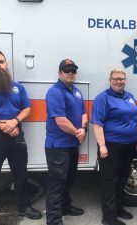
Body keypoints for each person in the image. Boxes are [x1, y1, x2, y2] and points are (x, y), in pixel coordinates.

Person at [0, 50, 42, 225]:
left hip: (16, 137)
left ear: (6, 64)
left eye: (1, 61)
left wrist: (15, 120)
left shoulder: (18, 87)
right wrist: (4, 126)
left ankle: (23, 207)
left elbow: (27, 108)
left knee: (21, 174)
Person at [91, 68, 137, 225]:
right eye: (116, 79)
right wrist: (102, 146)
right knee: (110, 182)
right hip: (111, 146)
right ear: (110, 80)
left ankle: (119, 208)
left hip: (129, 146)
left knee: (122, 179)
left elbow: (134, 119)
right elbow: (97, 124)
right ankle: (109, 218)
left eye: (122, 79)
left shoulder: (129, 96)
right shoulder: (103, 98)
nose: (119, 81)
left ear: (125, 80)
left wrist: (136, 139)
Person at [45, 59, 88, 225]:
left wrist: (83, 128)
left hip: (71, 144)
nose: (71, 73)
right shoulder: (55, 92)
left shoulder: (76, 91)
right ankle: (54, 220)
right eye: (67, 70)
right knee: (57, 182)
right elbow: (60, 121)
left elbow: (84, 113)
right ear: (59, 73)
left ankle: (65, 207)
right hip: (58, 146)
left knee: (69, 179)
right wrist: (78, 132)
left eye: (73, 70)